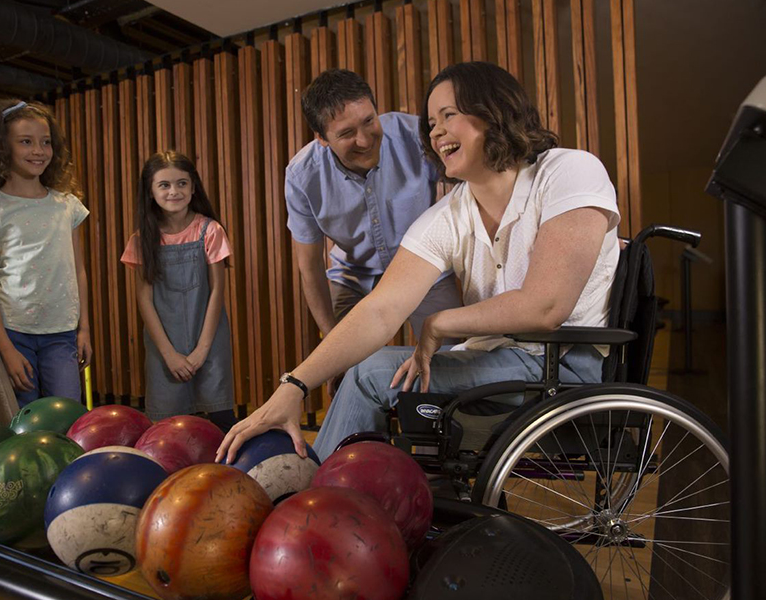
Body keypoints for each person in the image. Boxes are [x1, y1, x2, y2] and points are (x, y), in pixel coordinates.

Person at [217, 61, 620, 464]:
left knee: (371, 374)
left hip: (561, 364)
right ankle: (351, 495)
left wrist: (441, 321)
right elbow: (380, 309)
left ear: (493, 110)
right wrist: (292, 388)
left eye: (449, 115)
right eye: (431, 122)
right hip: (503, 358)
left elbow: (546, 306)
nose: (435, 132)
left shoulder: (569, 170)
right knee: (373, 369)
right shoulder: (452, 212)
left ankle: (316, 502)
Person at [287, 68, 462, 344]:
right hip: (353, 276)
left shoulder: (415, 135)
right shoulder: (301, 177)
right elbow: (309, 267)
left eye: (369, 121)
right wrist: (332, 341)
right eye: (346, 133)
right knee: (343, 369)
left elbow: (466, 182)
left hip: (426, 266)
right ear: (321, 138)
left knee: (452, 361)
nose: (365, 140)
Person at [0, 100, 92, 407]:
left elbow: (78, 270)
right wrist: (5, 349)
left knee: (66, 417)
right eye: (26, 142)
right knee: (22, 422)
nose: (38, 150)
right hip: (13, 333)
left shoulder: (66, 205)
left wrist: (84, 327)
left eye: (45, 142)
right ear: (1, 148)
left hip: (61, 333)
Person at [121, 151, 235, 429]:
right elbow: (144, 300)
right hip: (164, 344)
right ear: (150, 191)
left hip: (207, 339)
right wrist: (169, 354)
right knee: (167, 425)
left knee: (219, 417)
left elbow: (217, 291)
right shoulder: (141, 239)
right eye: (165, 185)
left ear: (193, 187)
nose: (175, 191)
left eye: (182, 183)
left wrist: (202, 350)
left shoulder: (210, 230)